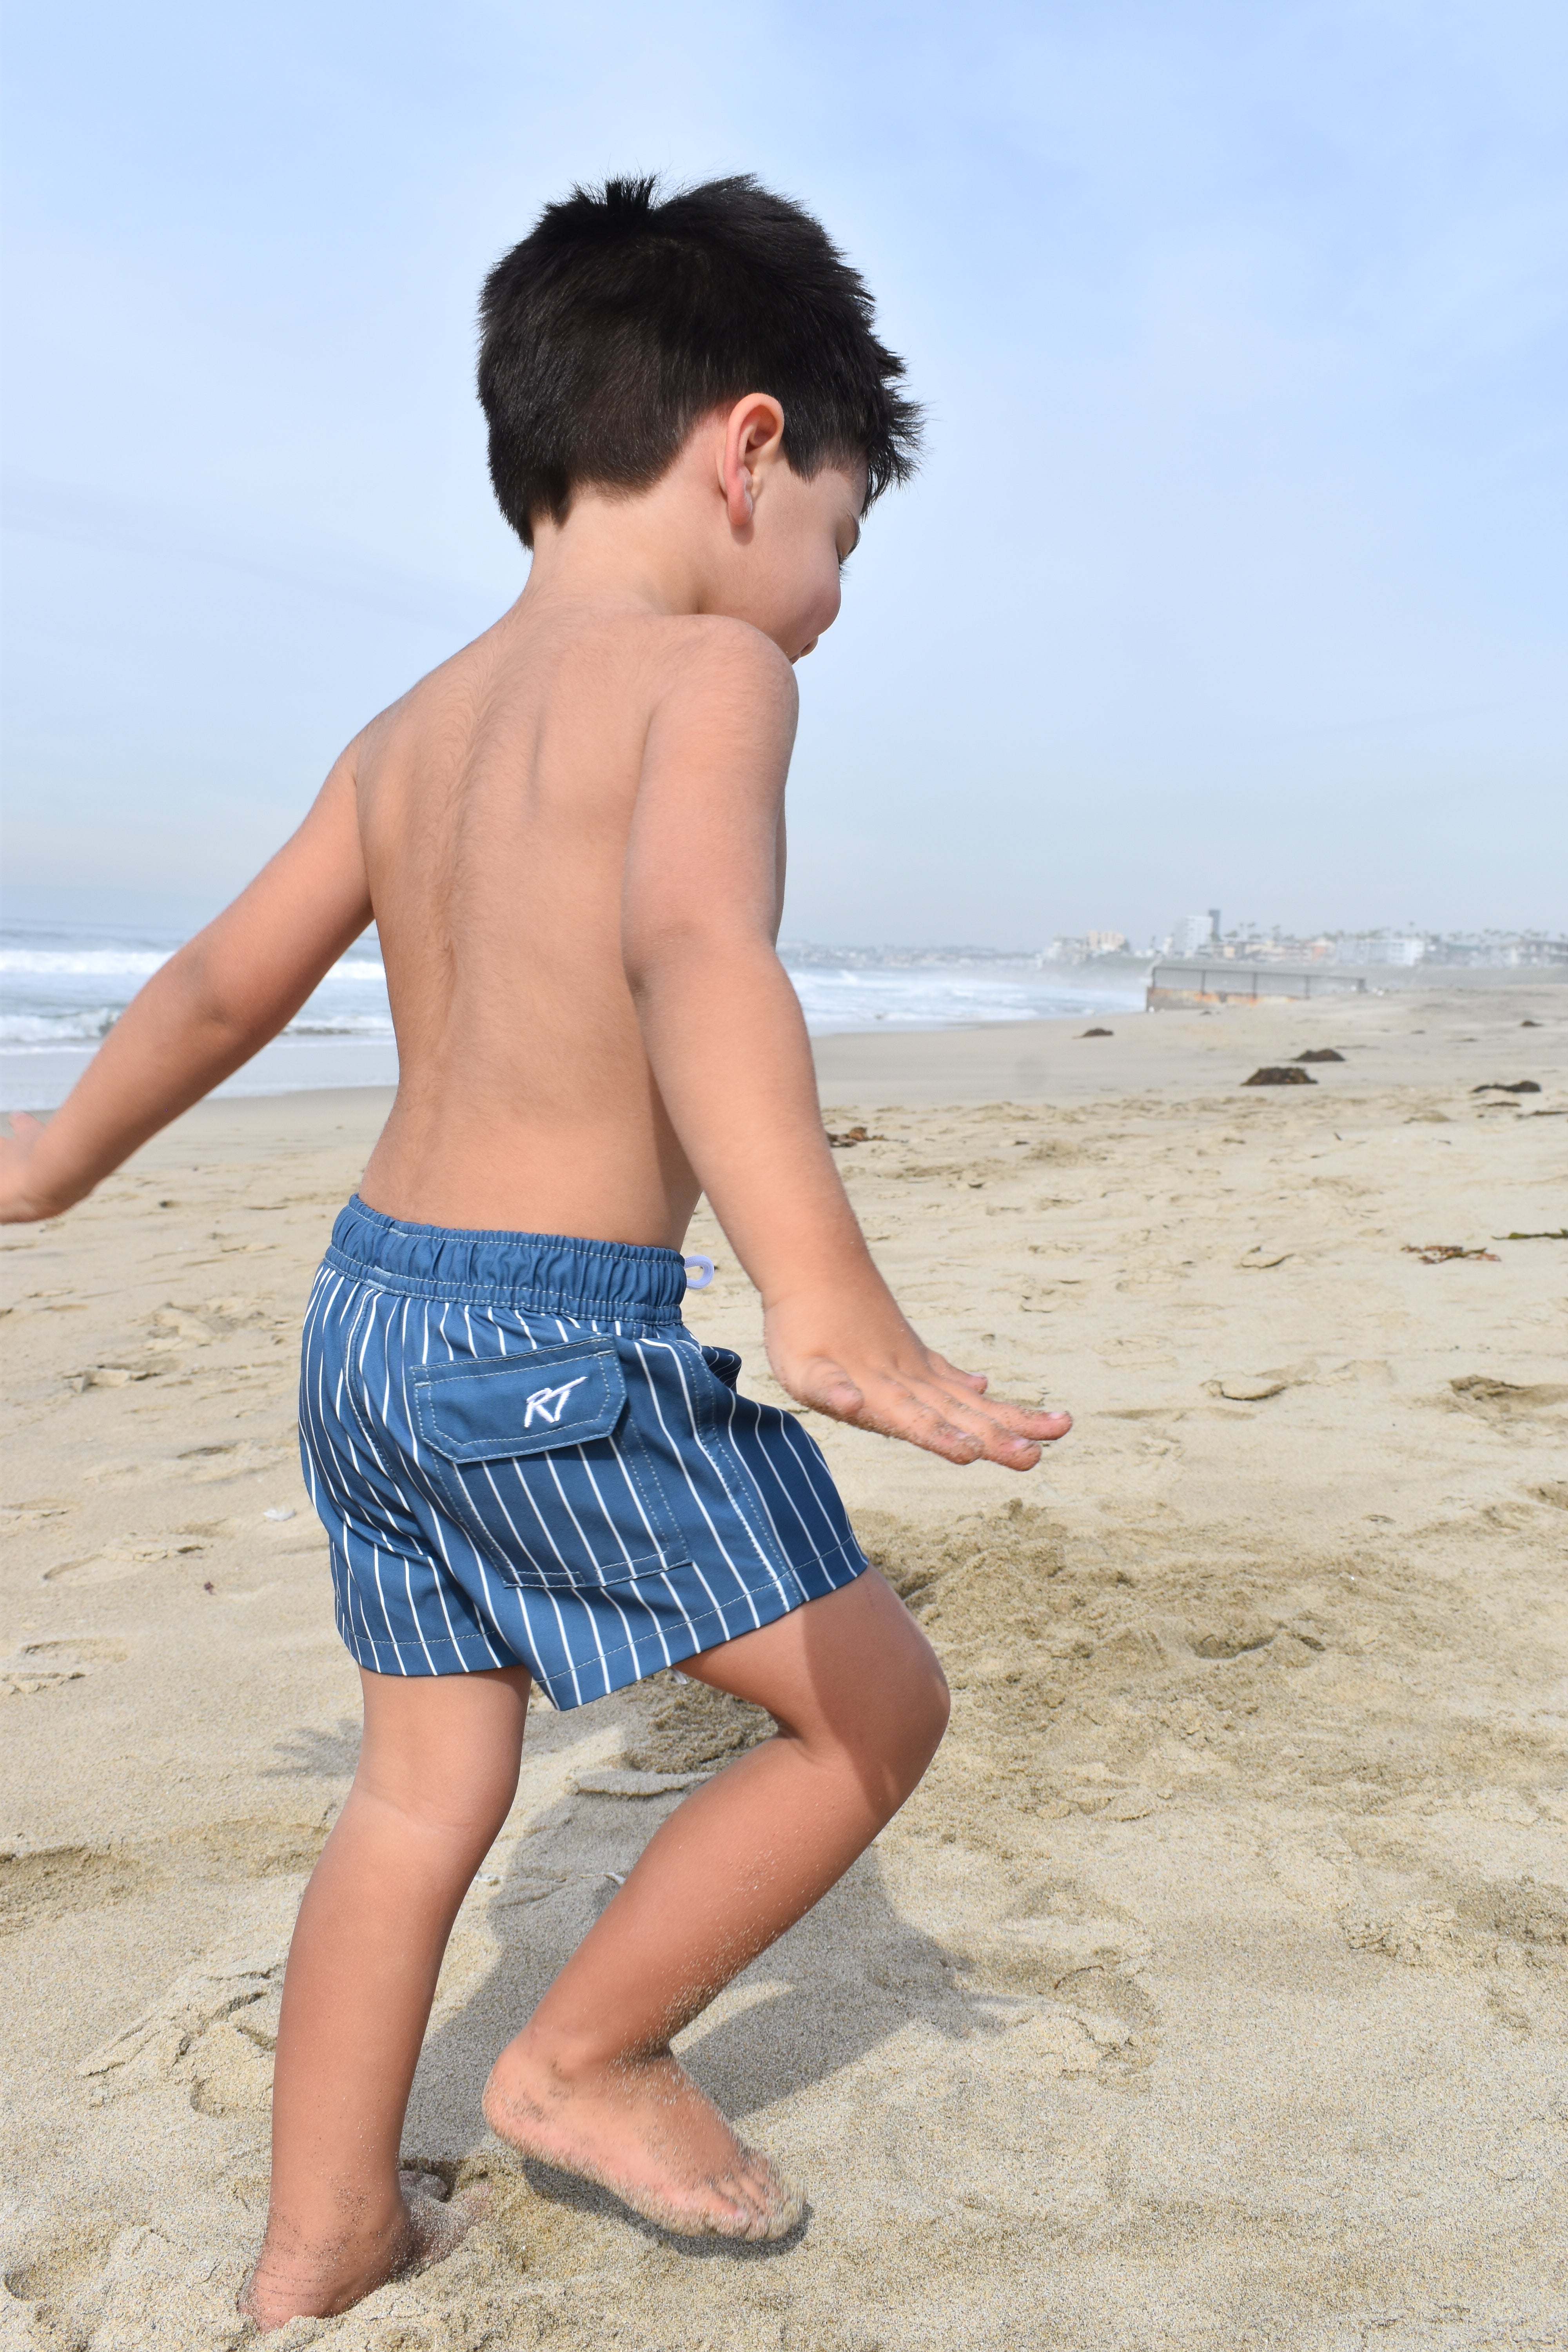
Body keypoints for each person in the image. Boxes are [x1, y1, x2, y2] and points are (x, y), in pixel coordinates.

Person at [0, 174, 1070, 2325]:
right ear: (748, 447)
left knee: (421, 1790)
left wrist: (45, 1160)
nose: (830, 602)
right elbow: (695, 949)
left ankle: (320, 2244)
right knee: (872, 1709)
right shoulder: (705, 679)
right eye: (844, 541)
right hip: (547, 1336)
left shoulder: (410, 728)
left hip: (368, 1321)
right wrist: (822, 1288)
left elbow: (219, 986)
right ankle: (579, 2060)